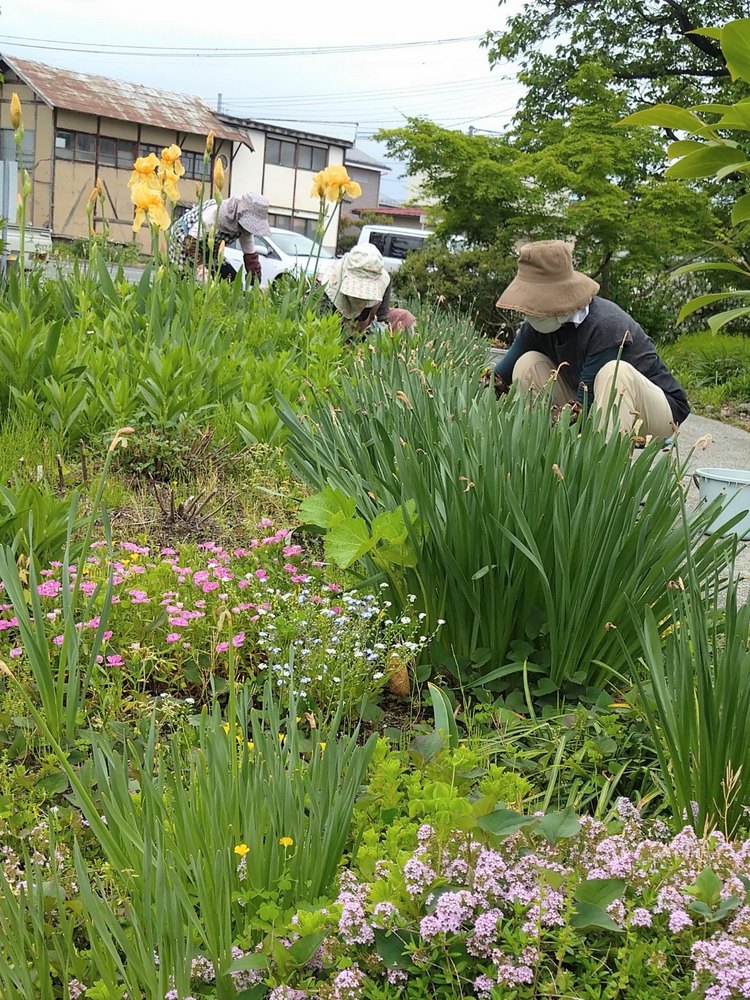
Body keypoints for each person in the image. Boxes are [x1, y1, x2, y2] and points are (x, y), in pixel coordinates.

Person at [491, 240, 689, 439]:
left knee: (614, 373)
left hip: (655, 414)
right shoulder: (537, 326)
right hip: (592, 405)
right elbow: (497, 379)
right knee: (527, 364)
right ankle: (540, 449)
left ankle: (605, 463)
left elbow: (584, 401)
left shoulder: (605, 324)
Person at [167, 193, 271, 283]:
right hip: (185, 241)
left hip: (209, 249)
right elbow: (191, 243)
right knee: (185, 280)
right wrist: (202, 271)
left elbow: (250, 257)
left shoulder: (244, 228)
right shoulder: (214, 215)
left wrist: (254, 280)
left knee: (231, 280)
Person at [323, 244, 416, 334]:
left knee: (405, 317)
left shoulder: (384, 282)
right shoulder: (328, 286)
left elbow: (382, 318)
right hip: (335, 331)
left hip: (366, 329)